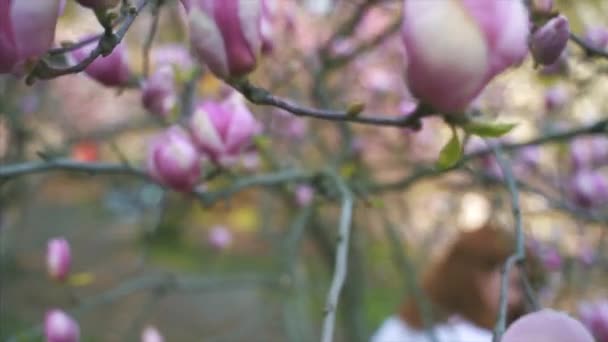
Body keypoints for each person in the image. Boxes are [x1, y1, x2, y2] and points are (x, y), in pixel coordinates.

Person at [371, 224, 544, 342]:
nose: (516, 299)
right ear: (478, 277)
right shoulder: (471, 337)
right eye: (514, 284)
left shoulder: (398, 327)